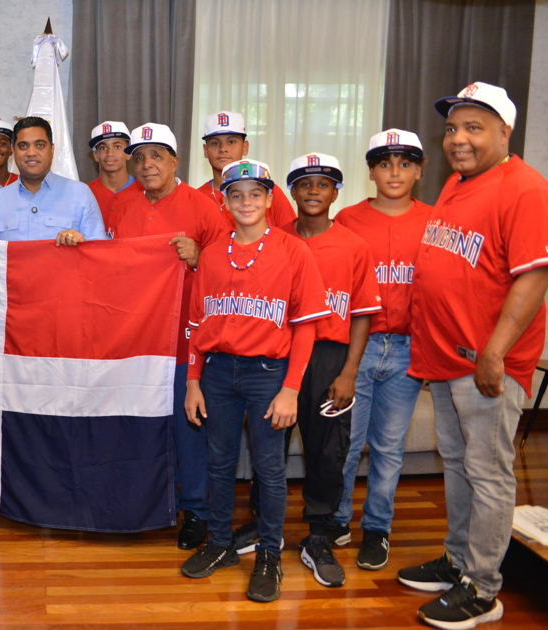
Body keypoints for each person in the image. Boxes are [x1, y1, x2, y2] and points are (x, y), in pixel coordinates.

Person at [400, 82, 548, 630]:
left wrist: (495, 352)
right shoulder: (457, 183)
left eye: (474, 127)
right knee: (457, 467)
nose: (458, 139)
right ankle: (457, 560)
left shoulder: (525, 189)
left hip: (488, 364)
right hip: (450, 359)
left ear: (504, 131)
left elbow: (536, 273)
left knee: (487, 473)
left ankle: (483, 588)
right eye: (452, 129)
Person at [182, 160, 329, 603]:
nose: (246, 202)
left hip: (269, 375)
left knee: (269, 470)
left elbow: (306, 327)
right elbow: (195, 324)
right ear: (225, 203)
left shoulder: (292, 250)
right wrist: (193, 381)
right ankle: (222, 543)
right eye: (236, 195)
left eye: (255, 194)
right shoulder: (211, 254)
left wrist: (291, 388)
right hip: (218, 372)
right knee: (220, 463)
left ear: (269, 199)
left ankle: (269, 553)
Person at [112, 123, 230, 551]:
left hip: (186, 341)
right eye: (139, 158)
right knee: (141, 425)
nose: (147, 166)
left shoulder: (202, 208)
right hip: (137, 341)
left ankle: (196, 510)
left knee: (188, 428)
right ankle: (147, 504)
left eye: (156, 156)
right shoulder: (123, 207)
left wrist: (199, 258)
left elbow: (230, 275)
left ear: (176, 161)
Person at [330, 129, 433, 572]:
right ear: (370, 170)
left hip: (409, 349)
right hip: (360, 346)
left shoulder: (436, 220)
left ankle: (377, 528)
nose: (395, 172)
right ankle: (335, 519)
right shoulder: (348, 220)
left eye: (405, 164)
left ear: (419, 171)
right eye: (385, 163)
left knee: (389, 446)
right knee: (347, 444)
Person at [280, 154, 381, 588]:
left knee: (328, 451)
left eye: (324, 184)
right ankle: (266, 527)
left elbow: (362, 314)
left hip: (329, 358)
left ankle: (318, 533)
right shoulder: (274, 239)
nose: (314, 191)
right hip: (281, 356)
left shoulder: (354, 245)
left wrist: (349, 372)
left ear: (336, 192)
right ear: (292, 193)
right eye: (305, 184)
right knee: (271, 445)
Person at [0, 117, 105, 245]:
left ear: (52, 149)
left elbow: (99, 253)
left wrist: (82, 243)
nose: (31, 153)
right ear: (13, 150)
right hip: (11, 285)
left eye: (39, 145)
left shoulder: (80, 194)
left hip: (64, 284)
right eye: (23, 146)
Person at [198, 111, 296, 228]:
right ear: (205, 150)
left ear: (245, 148)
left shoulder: (269, 191)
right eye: (215, 143)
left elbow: (291, 238)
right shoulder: (197, 198)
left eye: (231, 142)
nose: (223, 149)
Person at [86, 121, 142, 236]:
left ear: (128, 154)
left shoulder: (145, 192)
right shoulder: (84, 193)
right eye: (102, 147)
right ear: (96, 155)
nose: (110, 153)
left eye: (117, 147)